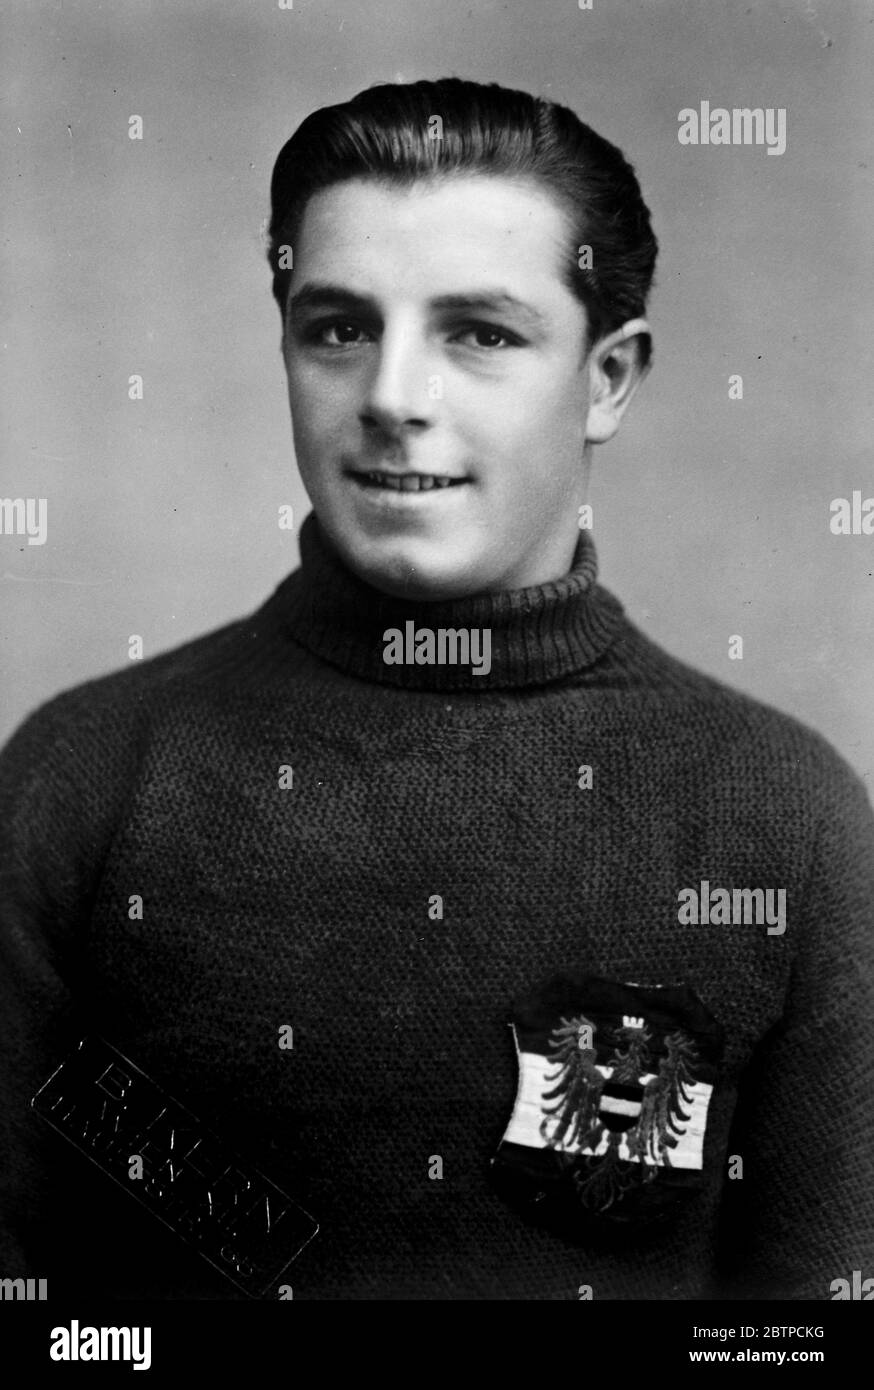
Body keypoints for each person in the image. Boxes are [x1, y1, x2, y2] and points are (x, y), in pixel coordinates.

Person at [1, 76, 871, 1302]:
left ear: (608, 377)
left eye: (480, 332)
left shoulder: (784, 818)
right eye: (339, 327)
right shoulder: (83, 780)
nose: (394, 398)